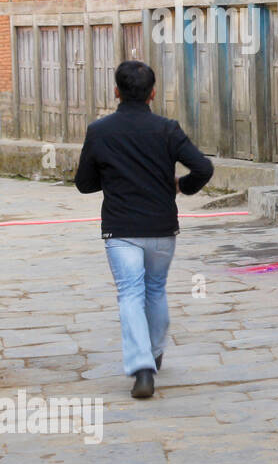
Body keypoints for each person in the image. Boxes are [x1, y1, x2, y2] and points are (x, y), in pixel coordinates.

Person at [74, 61, 214, 399]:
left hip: (121, 229)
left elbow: (84, 183)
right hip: (161, 227)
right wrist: (183, 185)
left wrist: (112, 176)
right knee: (155, 290)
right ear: (153, 93)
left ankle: (142, 369)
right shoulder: (167, 129)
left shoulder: (100, 131)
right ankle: (153, 350)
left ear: (116, 92)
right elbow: (204, 167)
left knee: (130, 295)